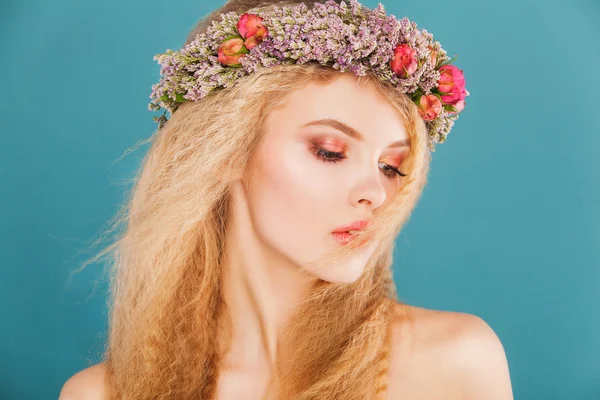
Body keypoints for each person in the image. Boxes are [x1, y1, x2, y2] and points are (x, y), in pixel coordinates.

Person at [59, 0, 513, 399]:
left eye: (391, 167)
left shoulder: (455, 361)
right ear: (223, 151)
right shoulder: (102, 394)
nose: (376, 194)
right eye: (329, 152)